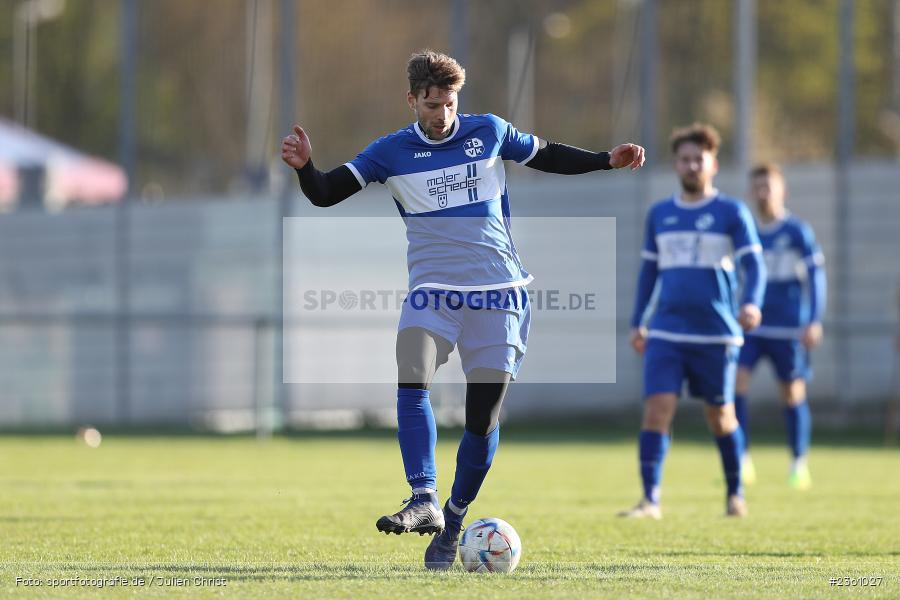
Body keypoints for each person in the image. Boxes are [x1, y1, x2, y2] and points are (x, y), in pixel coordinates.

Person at [281, 49, 645, 569]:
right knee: (413, 366)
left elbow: (547, 155)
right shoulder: (390, 151)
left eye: (450, 101)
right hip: (434, 292)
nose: (442, 113)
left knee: (482, 419)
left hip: (501, 295)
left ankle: (452, 520)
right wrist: (305, 168)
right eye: (432, 103)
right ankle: (424, 497)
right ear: (412, 100)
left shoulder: (489, 131)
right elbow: (324, 193)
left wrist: (605, 160)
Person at [621, 123, 765, 519]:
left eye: (698, 159)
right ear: (676, 165)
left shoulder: (731, 212)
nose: (691, 165)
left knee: (721, 416)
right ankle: (650, 500)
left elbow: (755, 266)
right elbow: (649, 273)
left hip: (717, 334)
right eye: (684, 159)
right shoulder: (660, 214)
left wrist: (752, 303)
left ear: (713, 164)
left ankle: (735, 495)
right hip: (666, 330)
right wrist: (638, 321)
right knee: (657, 409)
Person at [734, 163, 826, 490]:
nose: (762, 193)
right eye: (756, 187)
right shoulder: (746, 230)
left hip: (788, 329)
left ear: (781, 190)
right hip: (752, 329)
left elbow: (816, 278)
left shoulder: (797, 231)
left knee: (791, 394)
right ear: (749, 191)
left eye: (767, 187)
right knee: (735, 385)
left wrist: (814, 319)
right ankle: (741, 460)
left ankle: (798, 463)